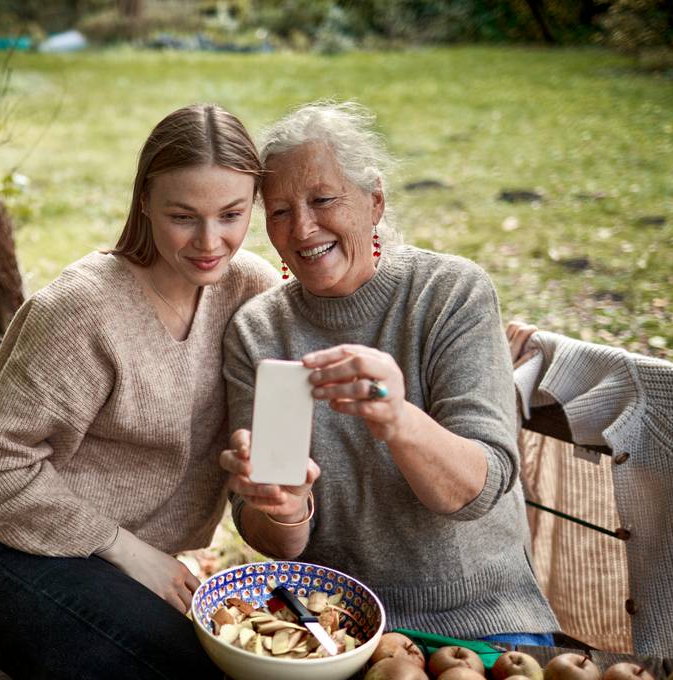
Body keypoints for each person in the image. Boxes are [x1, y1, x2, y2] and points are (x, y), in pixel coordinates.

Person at [0, 103, 277, 678]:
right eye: (183, 216)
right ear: (143, 201)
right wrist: (123, 548)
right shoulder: (81, 311)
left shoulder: (249, 288)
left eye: (231, 214)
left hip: (139, 576)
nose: (210, 241)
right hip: (30, 563)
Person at [219, 101, 559, 643]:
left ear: (374, 201)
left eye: (323, 199)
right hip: (331, 627)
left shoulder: (449, 294)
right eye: (279, 211)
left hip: (478, 622)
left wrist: (398, 419)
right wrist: (282, 507)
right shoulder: (257, 331)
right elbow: (272, 539)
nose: (303, 228)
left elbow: (478, 490)